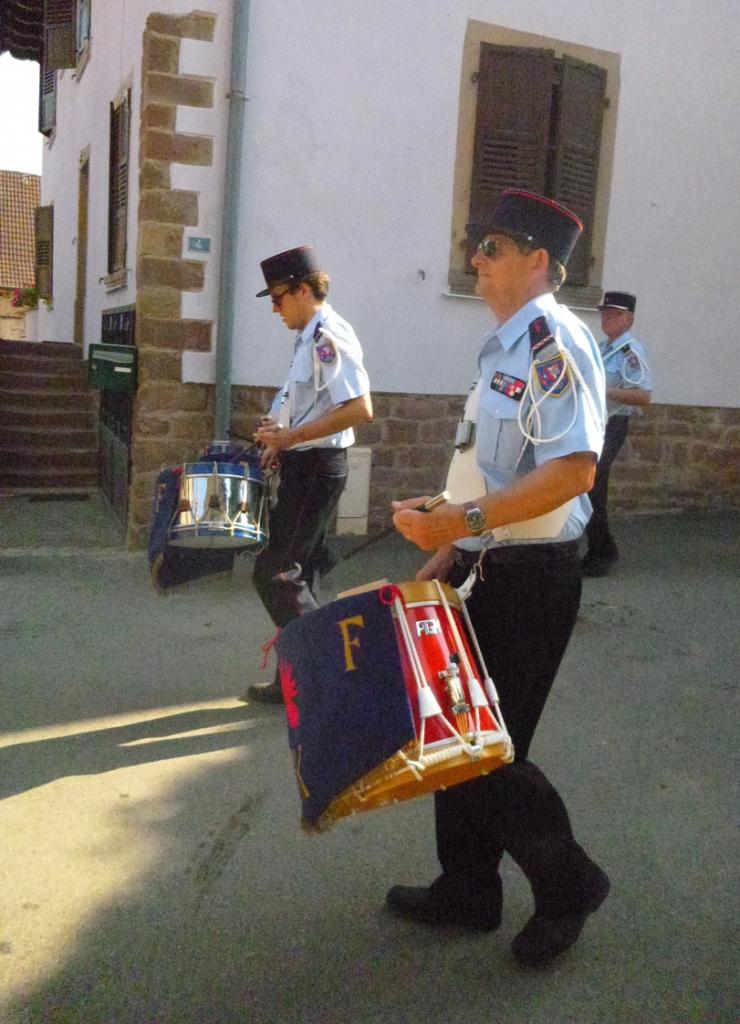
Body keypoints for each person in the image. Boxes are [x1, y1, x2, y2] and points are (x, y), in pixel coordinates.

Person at [388, 189, 610, 967]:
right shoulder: (505, 347)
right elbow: (496, 467)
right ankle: (468, 888)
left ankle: (569, 884)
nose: (475, 260)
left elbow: (574, 471)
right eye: (475, 247)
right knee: (457, 738)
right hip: (488, 564)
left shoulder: (554, 341)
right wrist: (453, 539)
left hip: (532, 579)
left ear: (538, 261)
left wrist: (460, 526)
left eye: (492, 247)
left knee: (494, 753)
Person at [246, 245, 372, 703]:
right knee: (301, 573)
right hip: (306, 463)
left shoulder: (328, 335)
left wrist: (292, 438)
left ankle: (329, 675)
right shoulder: (308, 336)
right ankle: (295, 681)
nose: (275, 309)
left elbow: (360, 408)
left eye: (278, 298)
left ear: (303, 290)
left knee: (276, 573)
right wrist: (277, 436)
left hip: (318, 467)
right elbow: (305, 401)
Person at [582, 291, 653, 576]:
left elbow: (644, 396)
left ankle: (602, 551)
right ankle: (599, 549)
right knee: (591, 487)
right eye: (604, 314)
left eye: (614, 314)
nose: (607, 319)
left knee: (591, 485)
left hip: (612, 425)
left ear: (629, 319)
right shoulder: (601, 347)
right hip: (594, 424)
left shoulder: (630, 353)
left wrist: (605, 391)